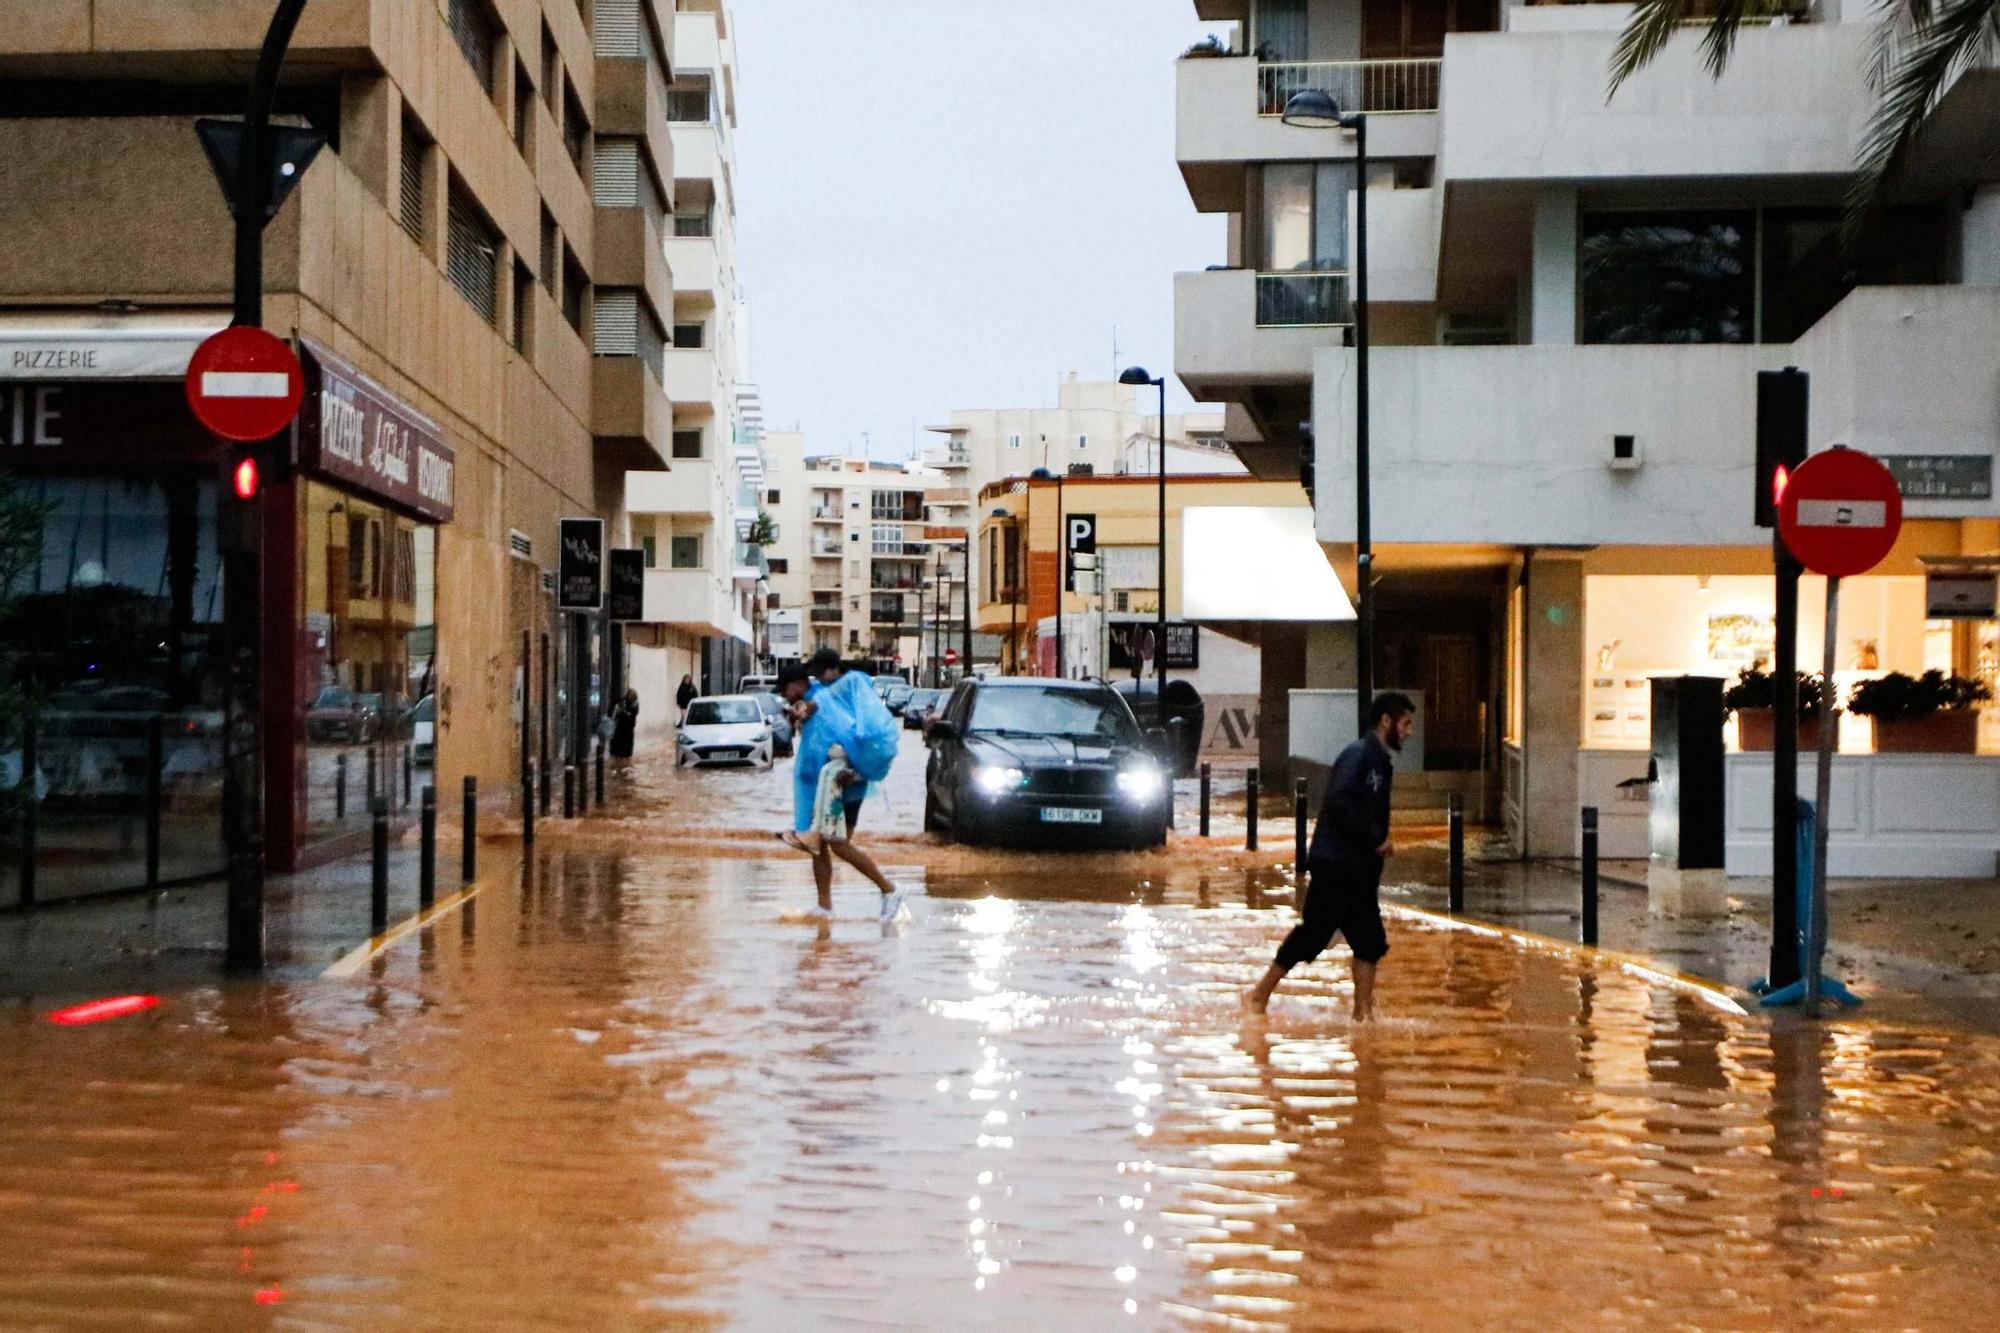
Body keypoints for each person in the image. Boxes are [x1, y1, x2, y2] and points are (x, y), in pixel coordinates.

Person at [1245, 692, 1416, 1022]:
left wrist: (1376, 843)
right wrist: (1376, 837)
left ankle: (1363, 1015)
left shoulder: (1379, 760)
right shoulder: (1358, 756)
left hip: (1358, 869)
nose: (1409, 732)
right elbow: (1338, 803)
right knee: (1313, 936)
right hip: (1337, 866)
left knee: (1369, 941)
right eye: (1406, 723)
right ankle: (1258, 995)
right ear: (1386, 721)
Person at [776, 650, 906, 923]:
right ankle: (824, 905)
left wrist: (852, 771)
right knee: (818, 844)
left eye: (786, 690)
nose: (785, 696)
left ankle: (890, 889)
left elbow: (847, 735)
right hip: (827, 784)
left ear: (798, 685)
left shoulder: (822, 700)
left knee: (837, 843)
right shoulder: (817, 700)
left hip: (845, 783)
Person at [609, 688, 640, 764]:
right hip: (623, 732)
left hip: (625, 732)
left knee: (622, 754)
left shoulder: (633, 705)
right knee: (622, 753)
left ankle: (620, 764)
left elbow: (631, 715)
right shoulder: (625, 702)